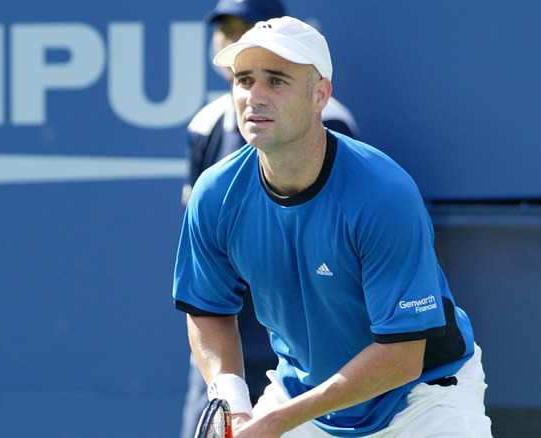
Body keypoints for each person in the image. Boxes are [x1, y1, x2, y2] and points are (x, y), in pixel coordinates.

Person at [173, 15, 492, 438]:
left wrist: (278, 420)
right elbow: (207, 309)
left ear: (320, 94)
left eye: (277, 80)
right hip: (302, 395)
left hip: (423, 399)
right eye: (244, 80)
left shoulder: (383, 193)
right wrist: (233, 401)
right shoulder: (214, 193)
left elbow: (402, 355)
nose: (255, 96)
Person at [179, 2, 360, 437]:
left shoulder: (330, 122)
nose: (232, 38)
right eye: (225, 29)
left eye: (244, 27)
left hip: (310, 347)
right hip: (232, 338)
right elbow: (204, 255)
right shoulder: (205, 125)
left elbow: (338, 233)